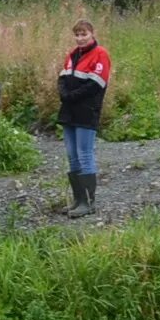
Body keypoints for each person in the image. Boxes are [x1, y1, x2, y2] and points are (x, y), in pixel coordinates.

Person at [57, 18, 110, 218]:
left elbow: (96, 84)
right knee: (72, 155)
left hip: (87, 110)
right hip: (69, 111)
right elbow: (62, 78)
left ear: (92, 33)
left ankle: (88, 202)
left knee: (84, 153)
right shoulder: (72, 55)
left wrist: (71, 96)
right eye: (77, 34)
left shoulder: (100, 54)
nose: (80, 38)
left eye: (84, 34)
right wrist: (63, 93)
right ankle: (78, 199)